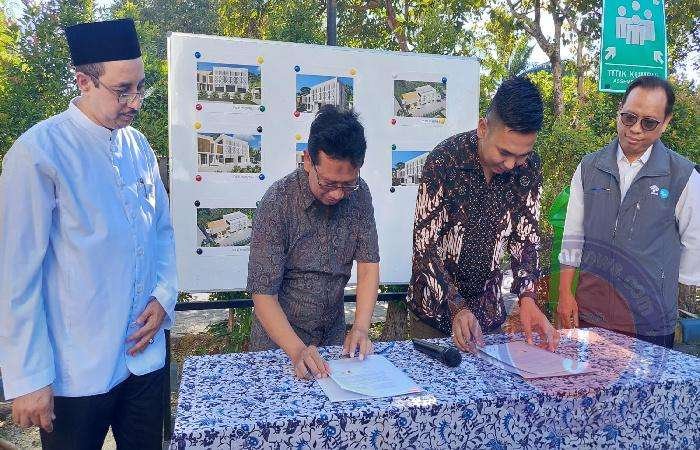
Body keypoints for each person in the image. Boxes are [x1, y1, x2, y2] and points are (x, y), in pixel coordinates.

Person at [0, 18, 177, 449]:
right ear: (83, 81)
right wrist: (28, 377)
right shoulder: (39, 153)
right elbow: (16, 273)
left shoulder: (139, 146)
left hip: (144, 359)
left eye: (140, 87)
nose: (135, 102)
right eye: (123, 90)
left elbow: (162, 233)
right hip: (76, 371)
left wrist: (164, 295)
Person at [407, 77, 559, 353]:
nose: (511, 164)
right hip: (434, 315)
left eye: (522, 155)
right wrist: (457, 307)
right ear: (482, 128)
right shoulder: (444, 160)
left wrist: (527, 297)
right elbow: (424, 247)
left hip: (488, 317)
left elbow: (526, 238)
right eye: (504, 152)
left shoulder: (529, 169)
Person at [557, 76, 699, 348]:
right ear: (619, 110)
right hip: (592, 314)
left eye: (649, 123)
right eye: (629, 117)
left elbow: (694, 243)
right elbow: (573, 234)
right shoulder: (589, 167)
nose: (635, 129)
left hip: (650, 323)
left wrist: (662, 285)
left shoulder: (683, 176)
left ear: (665, 122)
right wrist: (565, 294)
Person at [246, 105, 380, 379]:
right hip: (280, 347)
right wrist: (297, 351)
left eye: (347, 184)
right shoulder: (278, 202)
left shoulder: (360, 195)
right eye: (328, 183)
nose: (338, 194)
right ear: (307, 160)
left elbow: (368, 266)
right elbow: (263, 295)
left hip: (333, 342)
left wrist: (360, 328)